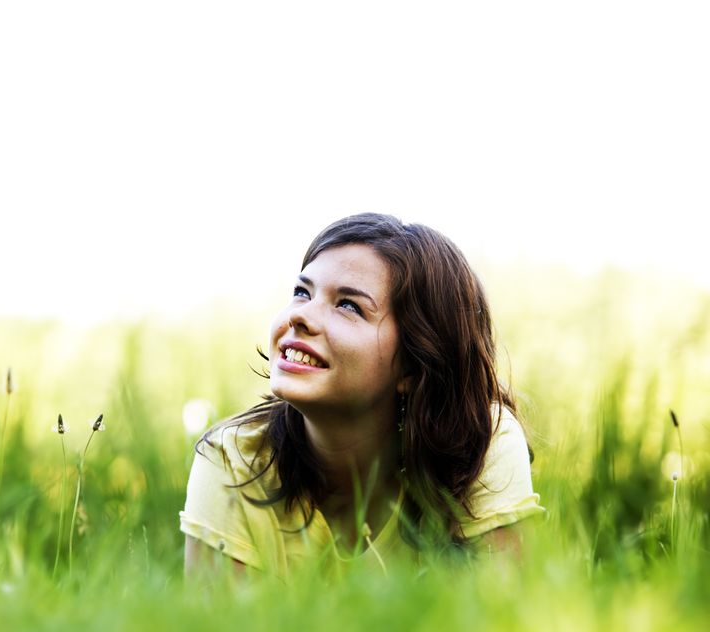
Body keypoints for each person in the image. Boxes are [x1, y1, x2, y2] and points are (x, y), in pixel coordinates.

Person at [179, 213, 544, 583]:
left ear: (414, 366)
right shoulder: (233, 462)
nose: (301, 316)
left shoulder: (481, 442)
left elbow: (505, 618)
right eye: (302, 293)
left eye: (348, 305)